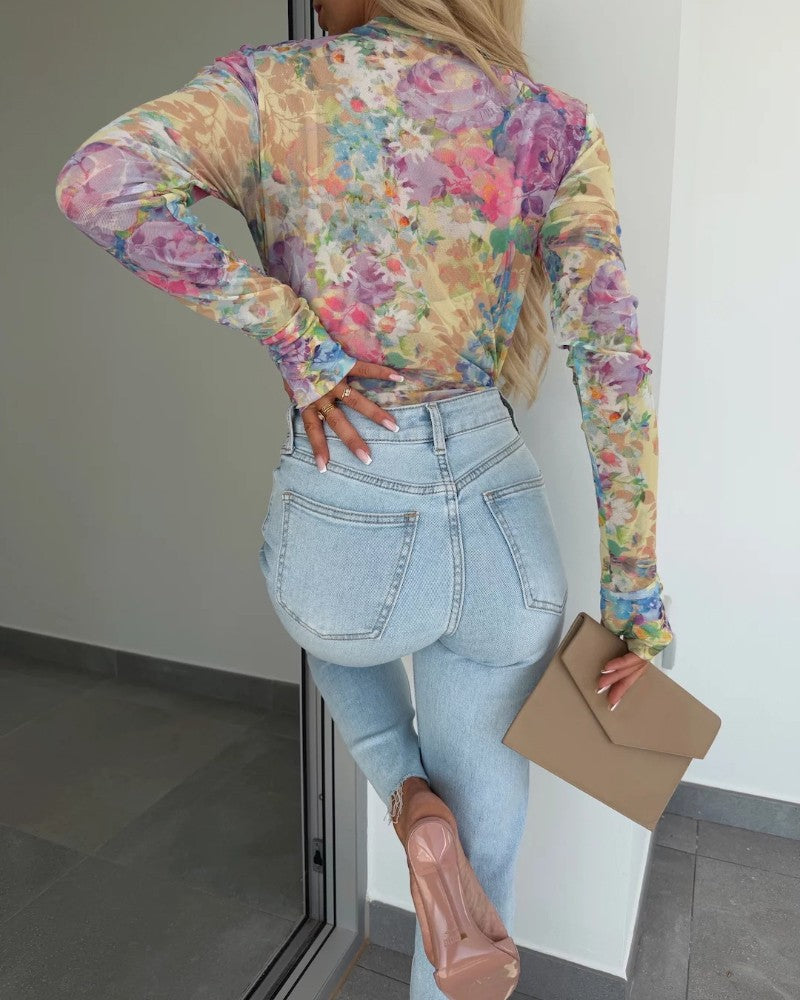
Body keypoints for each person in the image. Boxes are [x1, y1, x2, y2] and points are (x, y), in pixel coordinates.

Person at [54, 1, 674, 997]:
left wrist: (294, 334)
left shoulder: (271, 87)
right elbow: (610, 365)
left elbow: (97, 184)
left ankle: (402, 789)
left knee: (316, 602)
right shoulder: (552, 121)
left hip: (346, 502)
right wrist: (635, 592)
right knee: (484, 853)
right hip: (504, 527)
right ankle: (451, 884)